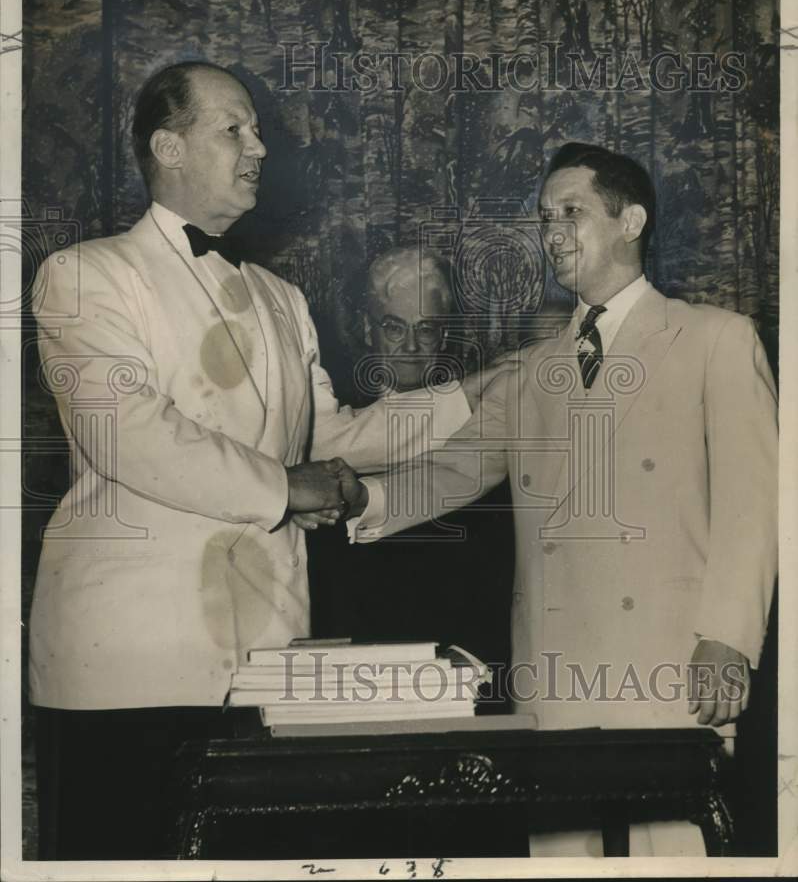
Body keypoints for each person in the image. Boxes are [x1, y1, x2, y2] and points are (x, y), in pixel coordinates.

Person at [29, 60, 486, 858]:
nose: (260, 147)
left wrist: (477, 397)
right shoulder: (83, 275)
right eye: (234, 129)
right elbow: (129, 432)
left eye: (259, 130)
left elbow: (328, 441)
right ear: (167, 146)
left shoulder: (281, 298)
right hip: (132, 671)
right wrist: (284, 488)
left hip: (271, 666)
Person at [344, 142, 778, 855]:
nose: (551, 231)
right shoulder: (536, 366)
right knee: (559, 861)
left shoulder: (715, 340)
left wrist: (728, 637)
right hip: (553, 674)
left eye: (571, 212)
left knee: (671, 856)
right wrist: (353, 498)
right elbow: (454, 470)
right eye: (545, 216)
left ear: (631, 220)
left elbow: (753, 506)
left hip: (672, 667)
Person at [308, 247, 515, 695]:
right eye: (394, 327)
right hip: (344, 675)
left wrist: (471, 662)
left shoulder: (482, 430)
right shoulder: (336, 427)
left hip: (453, 675)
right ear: (367, 329)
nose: (411, 346)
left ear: (443, 338)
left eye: (427, 330)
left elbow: (501, 576)